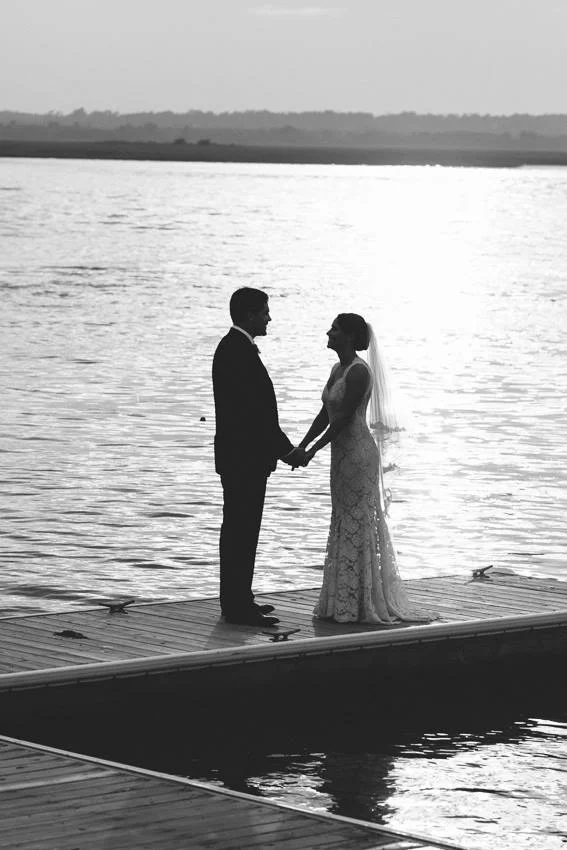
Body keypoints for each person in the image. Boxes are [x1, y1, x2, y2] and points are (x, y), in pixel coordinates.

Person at [298, 313, 435, 624]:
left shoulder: (359, 372)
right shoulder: (337, 369)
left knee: (359, 519)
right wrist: (301, 445)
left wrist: (312, 451)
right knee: (342, 517)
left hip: (358, 454)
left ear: (348, 335)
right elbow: (326, 412)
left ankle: (361, 602)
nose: (328, 332)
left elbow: (344, 417)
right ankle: (342, 599)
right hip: (340, 454)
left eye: (334, 329)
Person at [213, 287, 305, 626]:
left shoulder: (234, 348)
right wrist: (287, 451)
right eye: (264, 311)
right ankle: (237, 606)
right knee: (241, 530)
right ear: (249, 313)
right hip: (243, 459)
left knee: (241, 530)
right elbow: (255, 414)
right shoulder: (236, 350)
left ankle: (240, 598)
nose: (269, 317)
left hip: (242, 458)